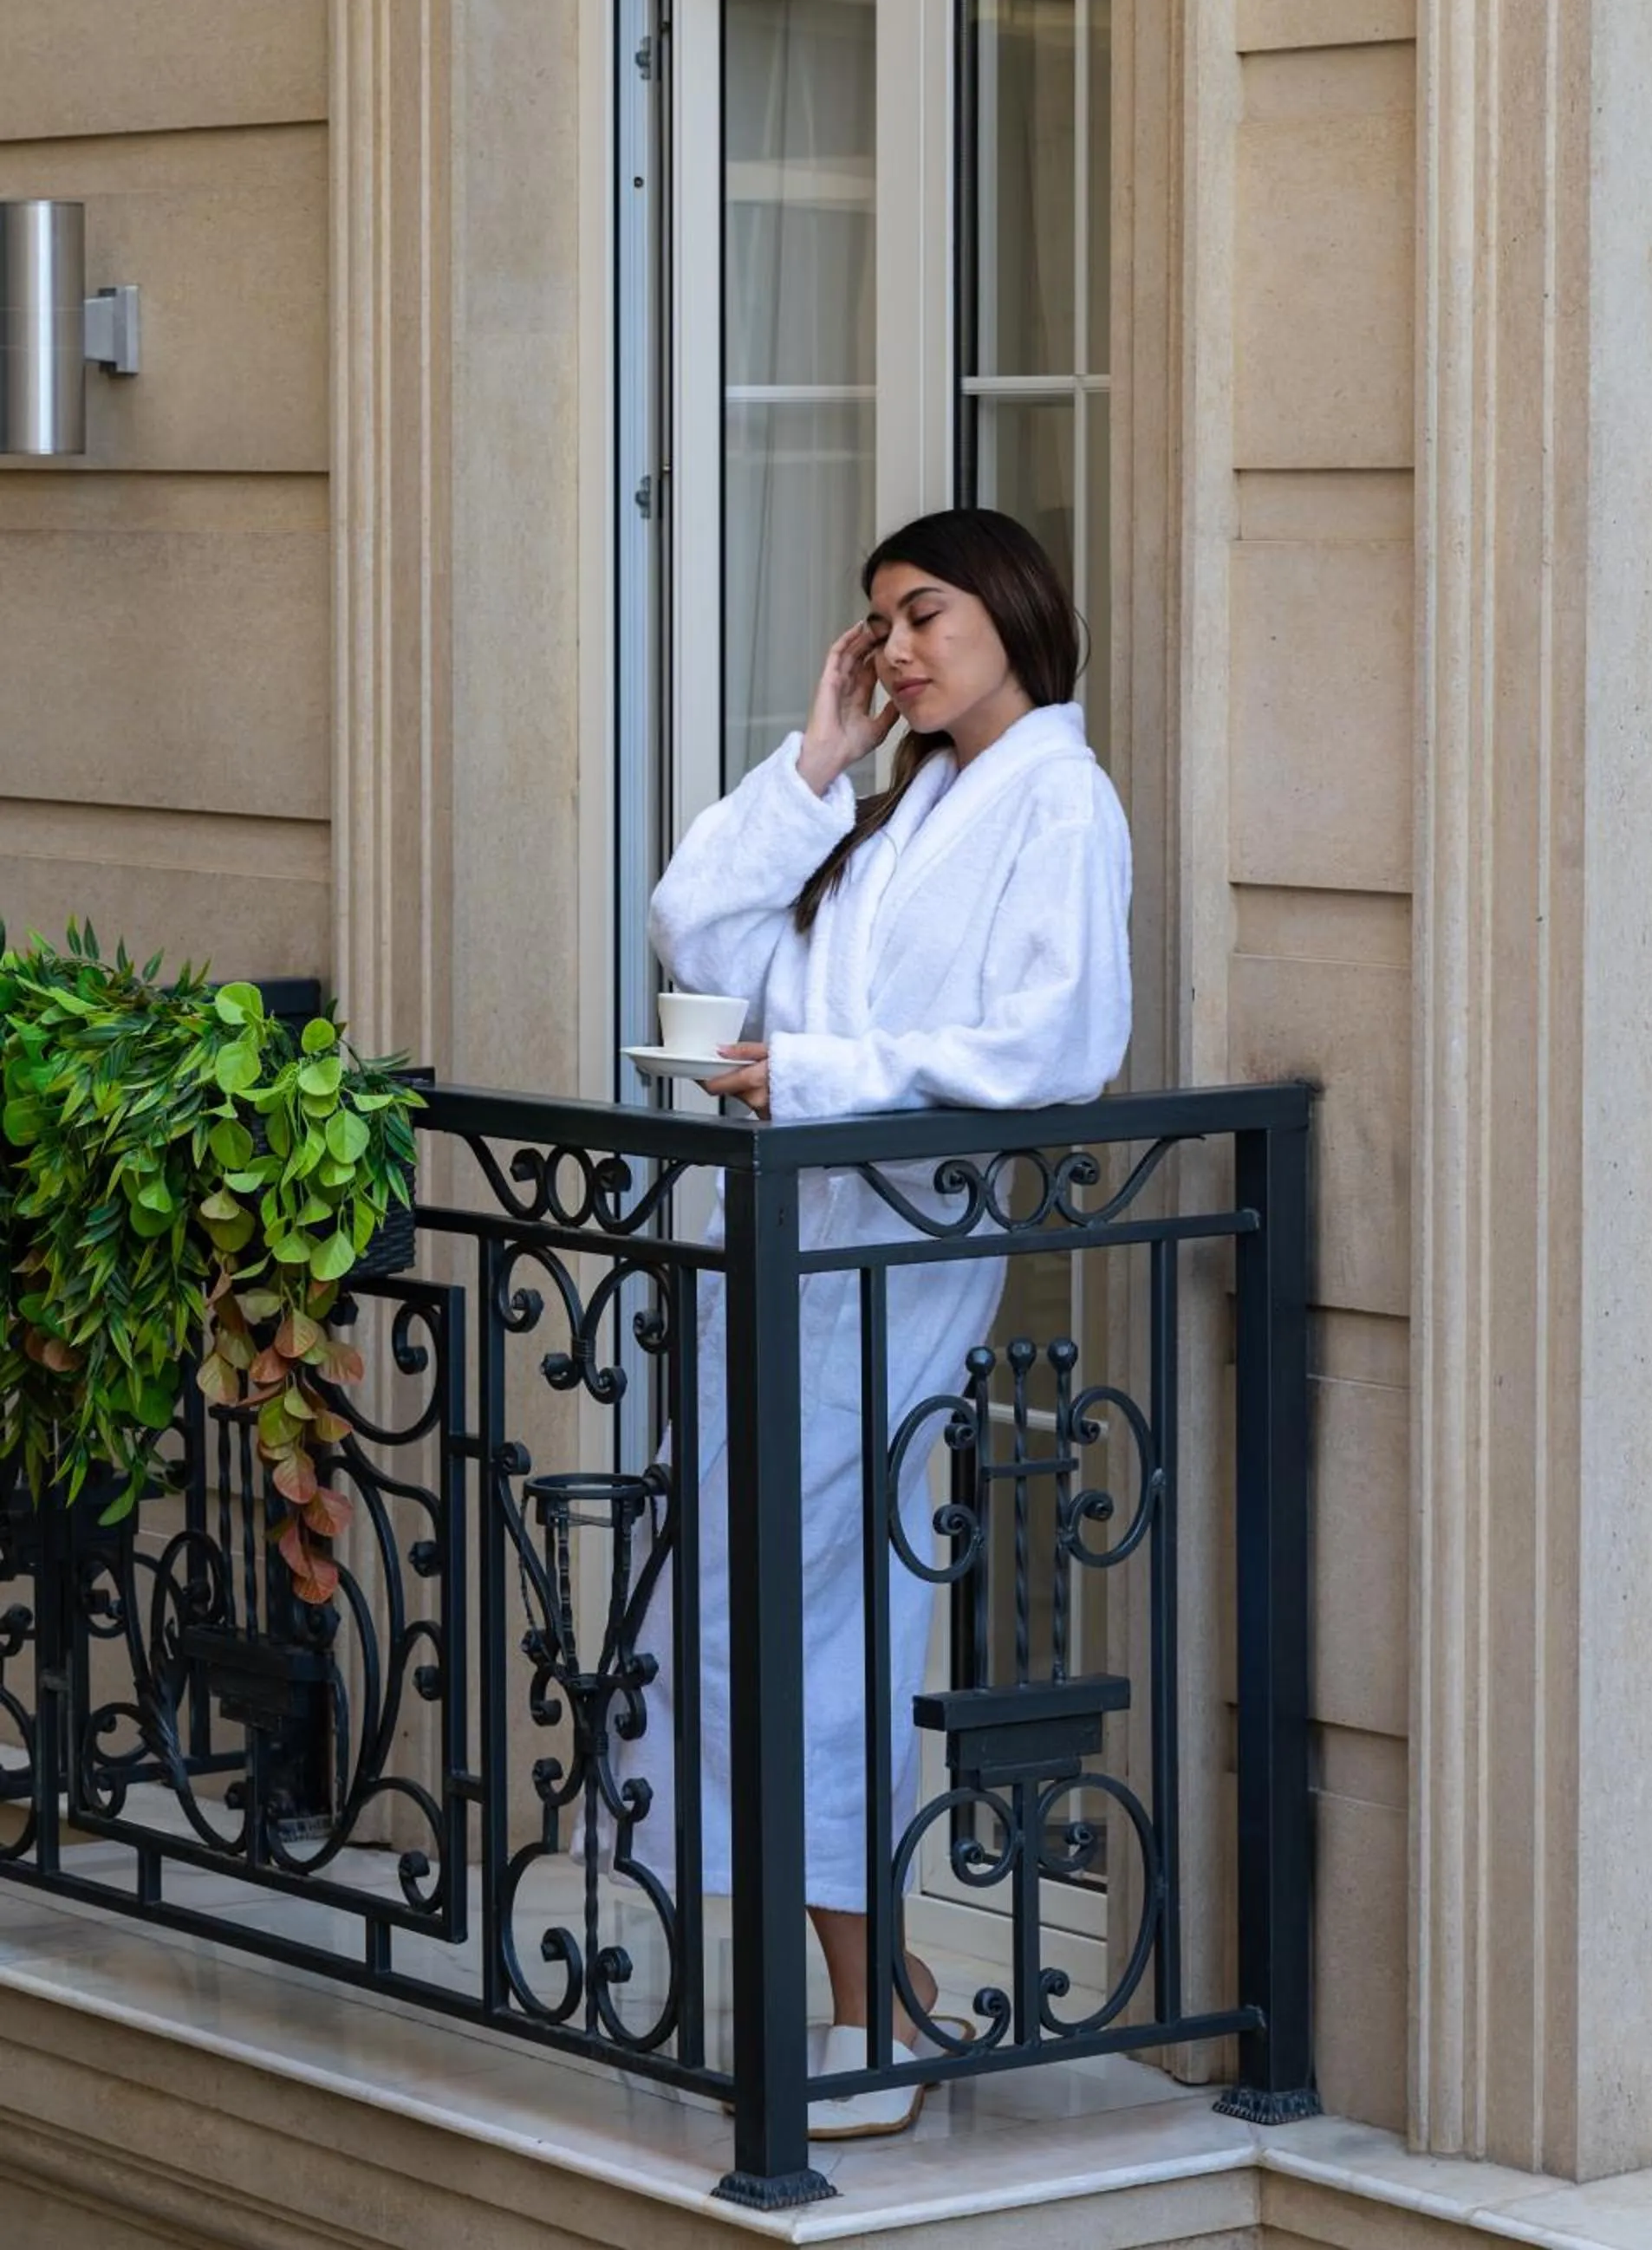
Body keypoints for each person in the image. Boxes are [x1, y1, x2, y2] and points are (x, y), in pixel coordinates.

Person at [618, 507, 1132, 2137]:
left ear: (1012, 613)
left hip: (896, 1256)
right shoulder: (902, 808)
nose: (897, 651)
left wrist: (829, 1079)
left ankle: (879, 2002)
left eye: (925, 617)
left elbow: (1060, 1039)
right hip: (792, 1246)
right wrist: (818, 764)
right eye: (880, 627)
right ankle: (847, 1986)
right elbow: (697, 931)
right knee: (737, 1596)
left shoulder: (1058, 798)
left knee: (810, 1608)